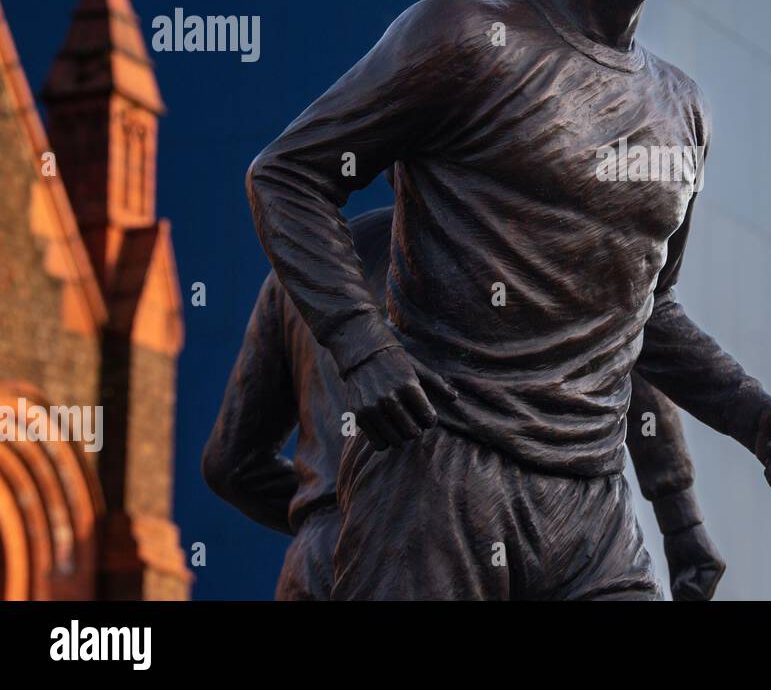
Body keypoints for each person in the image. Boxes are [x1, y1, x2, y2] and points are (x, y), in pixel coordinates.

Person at [246, 0, 771, 600]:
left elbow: (646, 312)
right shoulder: (462, 40)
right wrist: (364, 348)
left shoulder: (683, 109)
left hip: (589, 507)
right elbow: (288, 176)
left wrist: (750, 413)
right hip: (438, 480)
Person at [204, 206, 727, 600]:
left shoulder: (303, 275)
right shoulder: (523, 255)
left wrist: (335, 517)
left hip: (319, 565)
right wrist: (682, 522)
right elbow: (628, 355)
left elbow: (230, 465)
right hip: (466, 542)